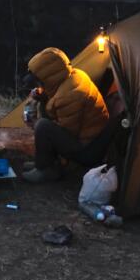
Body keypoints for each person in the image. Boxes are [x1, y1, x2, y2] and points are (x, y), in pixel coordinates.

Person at [21, 47, 110, 183]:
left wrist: (61, 166)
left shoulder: (70, 95)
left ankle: (46, 170)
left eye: (40, 81)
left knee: (43, 126)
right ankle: (43, 163)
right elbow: (58, 113)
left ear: (50, 77)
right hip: (89, 137)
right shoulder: (73, 76)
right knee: (44, 122)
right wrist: (43, 98)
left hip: (89, 149)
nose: (39, 84)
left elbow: (67, 133)